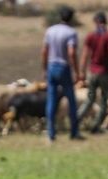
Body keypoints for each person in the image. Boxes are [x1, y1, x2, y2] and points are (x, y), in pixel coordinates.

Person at [77, 11, 108, 134]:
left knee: (90, 99)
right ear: (105, 22)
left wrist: (81, 72)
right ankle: (96, 126)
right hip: (104, 72)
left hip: (92, 72)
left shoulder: (91, 36)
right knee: (104, 101)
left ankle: (76, 120)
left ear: (95, 22)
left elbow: (85, 55)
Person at [42, 6, 82, 141]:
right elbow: (71, 53)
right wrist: (77, 72)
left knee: (51, 100)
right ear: (71, 18)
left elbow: (44, 51)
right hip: (64, 67)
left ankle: (51, 133)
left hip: (51, 66)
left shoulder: (50, 31)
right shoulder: (71, 32)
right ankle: (74, 132)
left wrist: (45, 69)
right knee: (71, 101)